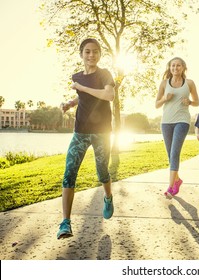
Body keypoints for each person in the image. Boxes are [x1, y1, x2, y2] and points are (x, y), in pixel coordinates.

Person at [57, 38, 115, 239]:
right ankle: (65, 222)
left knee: (102, 171)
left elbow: (109, 96)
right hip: (80, 130)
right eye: (88, 52)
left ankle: (108, 196)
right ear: (81, 54)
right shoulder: (77, 77)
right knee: (69, 172)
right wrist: (70, 103)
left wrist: (82, 88)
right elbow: (82, 98)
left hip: (101, 132)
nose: (92, 55)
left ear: (100, 54)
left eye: (95, 52)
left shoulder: (105, 74)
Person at [155, 57, 199, 199]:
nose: (175, 68)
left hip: (182, 121)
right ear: (170, 67)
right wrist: (165, 99)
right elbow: (156, 104)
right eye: (173, 66)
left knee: (174, 153)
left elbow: (197, 102)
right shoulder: (164, 83)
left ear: (183, 67)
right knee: (170, 155)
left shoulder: (189, 83)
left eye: (178, 66)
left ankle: (170, 187)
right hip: (166, 122)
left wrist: (190, 102)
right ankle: (177, 180)